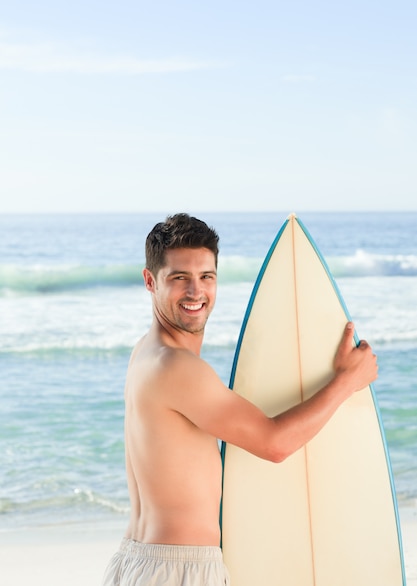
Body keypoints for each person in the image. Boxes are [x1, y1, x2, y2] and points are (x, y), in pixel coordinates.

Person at [102, 213, 378, 586]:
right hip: (180, 570)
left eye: (206, 277)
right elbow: (274, 443)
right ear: (150, 281)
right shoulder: (177, 367)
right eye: (179, 278)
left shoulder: (146, 353)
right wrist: (347, 381)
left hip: (138, 561)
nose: (196, 292)